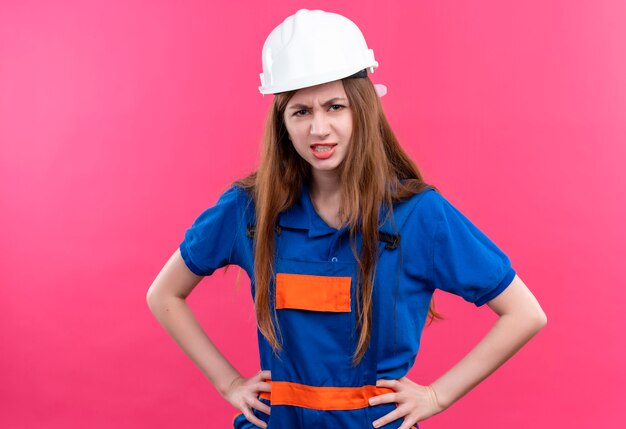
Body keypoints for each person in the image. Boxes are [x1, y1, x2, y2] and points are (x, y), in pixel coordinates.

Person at [147, 9, 547, 429]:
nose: (319, 128)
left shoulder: (416, 215)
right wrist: (229, 384)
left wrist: (436, 396)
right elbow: (164, 294)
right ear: (282, 123)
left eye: (334, 106)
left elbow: (525, 313)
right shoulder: (248, 209)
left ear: (363, 109)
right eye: (300, 112)